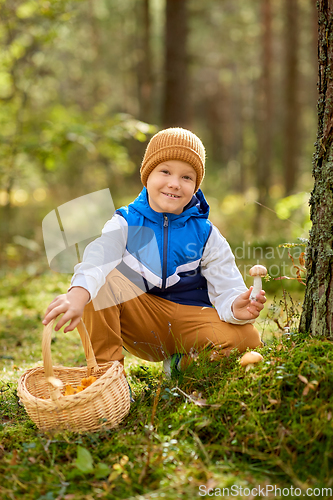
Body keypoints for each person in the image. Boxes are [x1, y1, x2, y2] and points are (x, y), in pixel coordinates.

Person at [43, 127, 266, 376]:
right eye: (165, 171)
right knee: (100, 282)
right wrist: (77, 293)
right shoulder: (126, 222)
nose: (174, 183)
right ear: (147, 175)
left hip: (187, 319)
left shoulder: (206, 233)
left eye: (186, 177)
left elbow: (227, 287)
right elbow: (98, 258)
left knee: (249, 338)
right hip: (139, 319)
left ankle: (184, 365)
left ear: (195, 185)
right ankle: (108, 376)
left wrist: (236, 306)